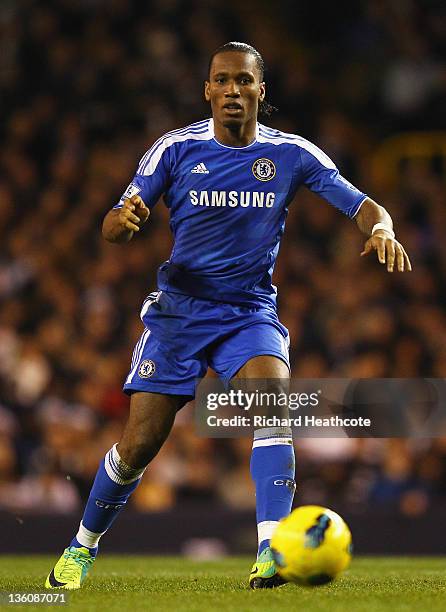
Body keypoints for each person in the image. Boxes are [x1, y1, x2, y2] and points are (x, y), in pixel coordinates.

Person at [45, 41, 411, 590]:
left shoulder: (292, 154)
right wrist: (125, 220)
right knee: (139, 445)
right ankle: (81, 547)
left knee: (272, 408)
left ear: (262, 91)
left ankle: (271, 550)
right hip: (178, 315)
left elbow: (362, 205)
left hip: (248, 312)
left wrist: (380, 228)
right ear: (207, 91)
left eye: (244, 81)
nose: (233, 91)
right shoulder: (174, 149)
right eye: (222, 81)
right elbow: (112, 225)